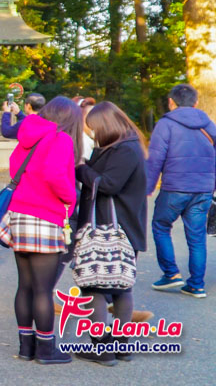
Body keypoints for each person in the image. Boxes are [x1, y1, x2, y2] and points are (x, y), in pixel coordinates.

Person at [0, 96, 81, 364]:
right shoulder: (60, 139)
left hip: (18, 215)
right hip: (45, 216)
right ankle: (46, 349)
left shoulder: (28, 136)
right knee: (43, 290)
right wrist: (71, 197)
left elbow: (15, 167)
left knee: (25, 286)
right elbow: (55, 174)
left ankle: (26, 347)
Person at [73, 101, 148, 365]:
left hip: (110, 229)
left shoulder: (124, 150)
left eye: (94, 128)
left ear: (106, 125)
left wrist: (81, 167)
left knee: (94, 286)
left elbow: (108, 184)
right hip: (125, 228)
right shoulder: (125, 146)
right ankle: (121, 345)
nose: (93, 133)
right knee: (120, 286)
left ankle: (102, 348)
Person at [145, 83, 216, 298]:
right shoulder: (209, 124)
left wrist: (148, 187)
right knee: (197, 237)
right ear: (196, 102)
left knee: (160, 225)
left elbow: (155, 158)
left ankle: (171, 273)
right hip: (203, 189)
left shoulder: (165, 124)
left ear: (171, 102)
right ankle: (196, 285)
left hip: (175, 188)